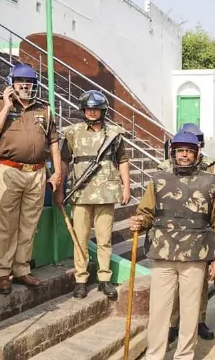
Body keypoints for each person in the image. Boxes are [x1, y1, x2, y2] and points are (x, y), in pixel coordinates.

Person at [130, 131, 215, 360]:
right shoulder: (158, 179)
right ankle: (154, 355)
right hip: (163, 255)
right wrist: (139, 222)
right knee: (158, 313)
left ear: (197, 154)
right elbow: (146, 213)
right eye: (180, 151)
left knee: (190, 312)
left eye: (189, 151)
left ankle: (184, 355)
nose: (184, 155)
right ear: (173, 153)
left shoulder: (211, 182)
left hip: (195, 256)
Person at [0, 63, 61, 294]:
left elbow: (54, 142)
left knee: (29, 224)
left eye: (29, 82)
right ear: (11, 83)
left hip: (37, 172)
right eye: (20, 82)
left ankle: (22, 269)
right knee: (5, 225)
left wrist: (56, 172)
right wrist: (7, 106)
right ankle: (3, 272)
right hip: (9, 170)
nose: (25, 85)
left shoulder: (44, 109)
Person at [57, 90, 130, 300]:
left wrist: (126, 186)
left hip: (106, 191)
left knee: (104, 238)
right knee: (80, 238)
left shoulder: (114, 134)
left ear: (102, 111)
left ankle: (104, 278)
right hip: (80, 191)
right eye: (88, 109)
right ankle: (81, 279)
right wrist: (61, 188)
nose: (91, 112)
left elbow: (123, 160)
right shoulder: (73, 132)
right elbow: (63, 160)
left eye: (95, 109)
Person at [159, 122, 215, 342]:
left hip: (200, 232)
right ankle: (174, 323)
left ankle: (199, 320)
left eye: (194, 145)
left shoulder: (211, 167)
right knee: (173, 286)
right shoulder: (165, 167)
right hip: (171, 233)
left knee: (200, 284)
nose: (187, 152)